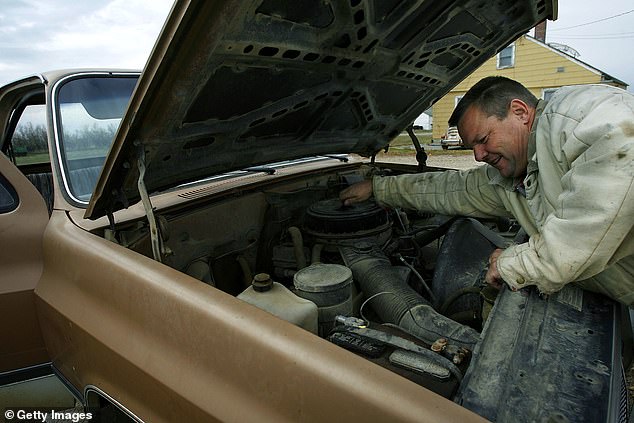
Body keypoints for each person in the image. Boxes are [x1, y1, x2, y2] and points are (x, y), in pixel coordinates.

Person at [340, 76, 634, 305]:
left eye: (483, 139)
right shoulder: (508, 176)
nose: (479, 156)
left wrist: (515, 263)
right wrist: (378, 188)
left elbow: (599, 208)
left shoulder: (580, 115)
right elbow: (447, 189)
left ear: (519, 112)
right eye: (472, 148)